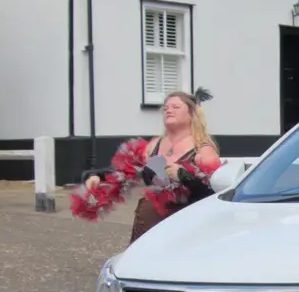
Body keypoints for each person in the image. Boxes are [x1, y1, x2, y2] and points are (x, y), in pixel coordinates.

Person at [84, 91, 222, 242]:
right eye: (166, 108)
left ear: (191, 114)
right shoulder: (154, 145)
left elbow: (215, 194)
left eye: (176, 107)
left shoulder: (202, 150)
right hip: (149, 226)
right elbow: (127, 170)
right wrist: (98, 176)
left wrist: (185, 176)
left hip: (184, 228)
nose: (169, 110)